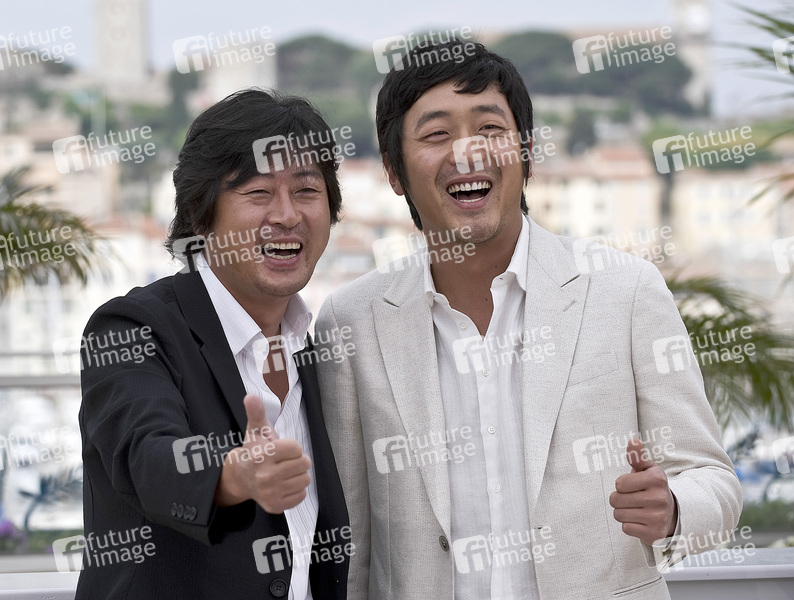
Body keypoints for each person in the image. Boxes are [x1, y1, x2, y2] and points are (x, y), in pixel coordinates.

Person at [315, 40, 742, 599]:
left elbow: (715, 481)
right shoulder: (351, 321)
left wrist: (675, 509)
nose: (468, 152)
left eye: (490, 128)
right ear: (394, 171)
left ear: (528, 153)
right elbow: (350, 542)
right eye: (436, 134)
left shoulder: (626, 290)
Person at [75, 89, 349, 599]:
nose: (287, 214)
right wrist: (231, 477)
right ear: (201, 215)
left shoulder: (313, 350)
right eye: (258, 192)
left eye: (307, 190)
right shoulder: (132, 328)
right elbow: (147, 457)